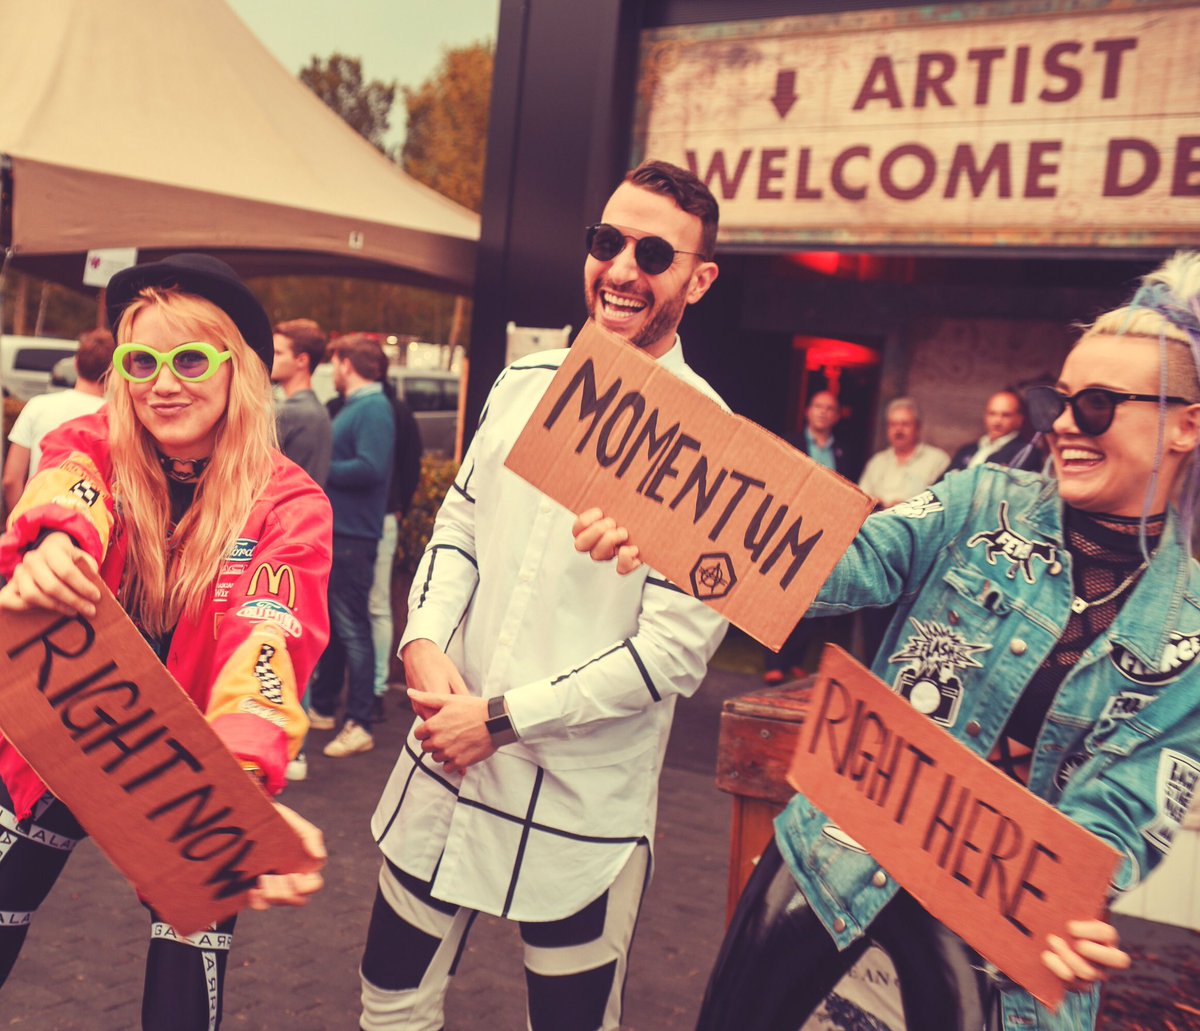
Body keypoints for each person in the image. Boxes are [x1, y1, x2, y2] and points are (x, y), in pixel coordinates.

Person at [576, 251, 1200, 1031]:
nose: (1066, 425)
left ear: (1186, 425)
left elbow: (1122, 802)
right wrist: (667, 517)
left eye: (1099, 404)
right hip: (837, 861)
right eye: (1060, 400)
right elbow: (847, 559)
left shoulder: (1187, 635)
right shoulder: (981, 501)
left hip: (994, 941)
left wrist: (1079, 900)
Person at [357, 159, 726, 1031]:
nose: (624, 269)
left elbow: (671, 654)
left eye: (654, 252)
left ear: (698, 279)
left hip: (576, 802)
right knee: (389, 1002)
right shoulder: (524, 379)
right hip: (444, 762)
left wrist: (500, 717)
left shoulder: (710, 442)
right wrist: (423, 644)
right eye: (608, 242)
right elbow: (461, 525)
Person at [0, 253, 331, 1029]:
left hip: (183, 766)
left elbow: (268, 634)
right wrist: (51, 546)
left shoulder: (288, 502)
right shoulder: (99, 443)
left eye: (189, 357)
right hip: (56, 737)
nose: (163, 381)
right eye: (140, 360)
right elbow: (66, 481)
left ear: (238, 371)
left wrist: (244, 769)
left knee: (187, 972)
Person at [310, 333, 394, 759]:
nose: (332, 372)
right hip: (345, 533)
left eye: (336, 363)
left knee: (354, 630)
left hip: (353, 536)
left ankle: (359, 723)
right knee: (343, 630)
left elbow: (371, 466)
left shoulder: (373, 408)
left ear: (347, 364)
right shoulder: (362, 407)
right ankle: (325, 710)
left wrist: (319, 467)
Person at [763, 390, 853, 683]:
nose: (823, 412)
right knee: (778, 594)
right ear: (808, 411)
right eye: (818, 406)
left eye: (830, 408)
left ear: (837, 415)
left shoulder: (844, 452)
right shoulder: (791, 442)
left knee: (810, 596)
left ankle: (796, 660)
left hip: (824, 531)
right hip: (789, 524)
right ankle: (773, 663)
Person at [3, 328, 116, 511]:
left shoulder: (37, 405)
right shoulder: (116, 419)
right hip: (92, 528)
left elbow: (11, 479)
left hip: (35, 519)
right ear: (114, 372)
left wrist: (21, 521)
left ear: (76, 364)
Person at [367, 381, 422, 724]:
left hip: (382, 518)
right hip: (379, 517)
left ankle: (376, 689)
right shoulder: (378, 406)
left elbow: (408, 461)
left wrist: (401, 505)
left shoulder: (388, 409)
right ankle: (373, 688)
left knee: (377, 606)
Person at [272, 318, 333, 488]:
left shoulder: (291, 412)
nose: (270, 358)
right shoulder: (318, 410)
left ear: (302, 360)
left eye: (278, 353)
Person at [858, 396, 950, 509]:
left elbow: (943, 504)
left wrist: (908, 507)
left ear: (918, 428)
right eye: (893, 424)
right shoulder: (877, 461)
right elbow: (860, 502)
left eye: (905, 424)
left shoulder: (938, 460)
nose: (898, 430)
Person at [949, 388, 1042, 472]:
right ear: (985, 416)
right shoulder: (966, 450)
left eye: (1006, 415)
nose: (997, 421)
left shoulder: (1026, 453)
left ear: (1019, 419)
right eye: (992, 414)